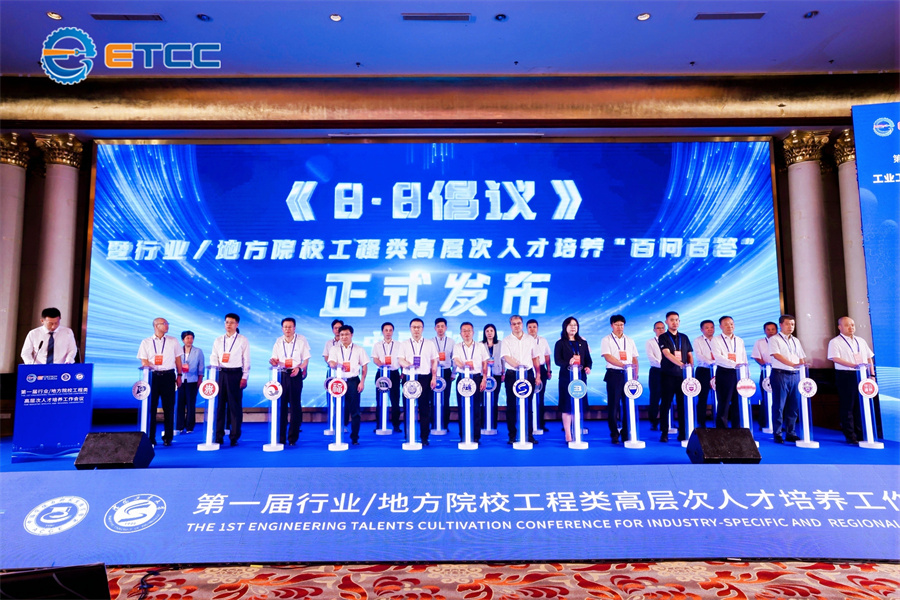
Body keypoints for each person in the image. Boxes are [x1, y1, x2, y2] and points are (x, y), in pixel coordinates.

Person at [827, 316, 875, 444]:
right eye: (847, 325)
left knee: (861, 405)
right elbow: (835, 358)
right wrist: (853, 365)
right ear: (840, 327)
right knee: (848, 405)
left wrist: (872, 375)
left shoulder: (861, 341)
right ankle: (850, 435)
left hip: (862, 375)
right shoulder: (835, 342)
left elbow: (869, 358)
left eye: (852, 325)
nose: (851, 327)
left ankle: (861, 433)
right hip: (846, 375)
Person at [137, 318, 182, 446]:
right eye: (164, 324)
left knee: (169, 407)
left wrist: (179, 375)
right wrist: (149, 368)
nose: (167, 326)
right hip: (152, 377)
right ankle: (150, 437)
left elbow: (178, 360)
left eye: (167, 323)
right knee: (151, 408)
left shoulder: (173, 341)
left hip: (168, 376)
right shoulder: (146, 342)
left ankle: (168, 437)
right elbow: (144, 361)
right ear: (156, 326)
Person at [210, 313, 250, 447]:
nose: (229, 325)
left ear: (237, 324)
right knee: (219, 406)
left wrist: (244, 377)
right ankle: (218, 436)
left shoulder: (242, 340)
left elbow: (246, 359)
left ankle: (234, 436)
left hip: (235, 374)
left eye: (232, 322)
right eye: (227, 322)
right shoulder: (218, 340)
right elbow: (214, 356)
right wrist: (215, 371)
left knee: (235, 407)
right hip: (221, 374)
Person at [270, 317, 311, 446]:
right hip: (281, 376)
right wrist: (273, 362)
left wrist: (299, 368)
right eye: (285, 327)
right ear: (282, 328)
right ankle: (281, 437)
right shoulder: (278, 342)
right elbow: (274, 359)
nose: (287, 329)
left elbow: (306, 360)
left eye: (290, 327)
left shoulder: (300, 342)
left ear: (294, 328)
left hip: (295, 375)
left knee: (295, 407)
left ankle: (293, 438)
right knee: (281, 407)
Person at [502, 315, 542, 445]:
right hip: (512, 375)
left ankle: (529, 435)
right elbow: (506, 357)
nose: (516, 326)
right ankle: (512, 435)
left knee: (528, 405)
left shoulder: (530, 339)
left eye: (518, 323)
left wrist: (538, 375)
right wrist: (519, 366)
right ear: (510, 326)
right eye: (514, 324)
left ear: (522, 324)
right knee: (511, 406)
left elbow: (535, 358)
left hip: (528, 374)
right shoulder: (506, 340)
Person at [398, 318, 439, 446]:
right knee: (408, 407)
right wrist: (408, 365)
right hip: (408, 378)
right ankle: (408, 435)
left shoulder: (429, 344)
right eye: (414, 327)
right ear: (410, 328)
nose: (416, 329)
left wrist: (434, 377)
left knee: (424, 408)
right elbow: (400, 359)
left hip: (424, 378)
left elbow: (434, 361)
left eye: (419, 327)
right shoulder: (404, 344)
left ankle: (424, 437)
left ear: (423, 329)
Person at [600, 314, 639, 444]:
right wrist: (623, 365)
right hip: (614, 375)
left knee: (628, 405)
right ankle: (614, 433)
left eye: (621, 325)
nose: (619, 327)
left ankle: (625, 433)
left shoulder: (630, 340)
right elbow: (607, 356)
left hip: (628, 375)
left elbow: (634, 358)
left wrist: (635, 375)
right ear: (612, 325)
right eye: (616, 324)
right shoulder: (606, 340)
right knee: (613, 405)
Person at [767, 314, 806, 444]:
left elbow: (801, 356)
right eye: (788, 324)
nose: (791, 327)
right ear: (781, 325)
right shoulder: (774, 339)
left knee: (794, 405)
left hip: (795, 375)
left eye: (792, 324)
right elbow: (776, 355)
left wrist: (802, 365)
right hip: (780, 374)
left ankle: (791, 432)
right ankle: (777, 433)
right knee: (779, 405)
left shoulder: (796, 340)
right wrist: (792, 364)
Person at [327, 325, 368, 445]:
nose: (344, 337)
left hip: (353, 381)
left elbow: (364, 366)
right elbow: (331, 362)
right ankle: (338, 435)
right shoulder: (334, 349)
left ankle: (354, 437)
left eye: (346, 334)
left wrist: (362, 381)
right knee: (338, 409)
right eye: (342, 335)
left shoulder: (359, 349)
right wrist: (336, 365)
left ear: (351, 335)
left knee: (355, 411)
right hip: (339, 381)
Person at [554, 316, 593, 442]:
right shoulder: (560, 343)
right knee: (567, 407)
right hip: (566, 378)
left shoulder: (583, 343)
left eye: (575, 325)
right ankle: (568, 434)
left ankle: (577, 430)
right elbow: (557, 361)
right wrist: (568, 363)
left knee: (578, 406)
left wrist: (588, 367)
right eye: (570, 325)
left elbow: (588, 359)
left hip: (580, 378)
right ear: (565, 327)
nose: (573, 327)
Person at [658, 311, 694, 442]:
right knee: (666, 404)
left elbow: (689, 354)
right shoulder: (663, 337)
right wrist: (681, 364)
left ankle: (683, 433)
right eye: (672, 320)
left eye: (677, 320)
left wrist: (690, 369)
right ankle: (664, 433)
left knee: (682, 405)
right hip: (668, 375)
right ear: (667, 322)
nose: (675, 322)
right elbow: (667, 354)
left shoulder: (684, 337)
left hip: (682, 377)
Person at [453, 321, 489, 443]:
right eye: (464, 331)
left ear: (473, 332)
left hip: (476, 378)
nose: (466, 333)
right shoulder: (457, 346)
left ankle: (476, 436)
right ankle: (463, 435)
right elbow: (456, 360)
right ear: (460, 333)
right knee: (462, 407)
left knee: (476, 408)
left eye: (469, 330)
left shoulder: (480, 346)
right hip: (462, 379)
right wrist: (464, 366)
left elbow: (485, 362)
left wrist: (484, 378)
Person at [711, 316, 747, 429]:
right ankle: (722, 430)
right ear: (720, 326)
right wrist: (734, 364)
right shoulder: (716, 340)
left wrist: (746, 373)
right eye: (726, 324)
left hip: (739, 373)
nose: (729, 326)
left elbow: (743, 357)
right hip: (725, 372)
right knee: (724, 402)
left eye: (731, 324)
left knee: (738, 402)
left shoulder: (739, 340)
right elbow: (718, 357)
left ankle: (737, 429)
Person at [372, 321, 404, 433]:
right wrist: (382, 365)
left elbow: (401, 359)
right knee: (380, 400)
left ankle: (396, 425)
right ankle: (379, 425)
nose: (388, 332)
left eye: (390, 330)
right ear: (382, 332)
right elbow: (375, 358)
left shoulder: (399, 345)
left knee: (395, 401)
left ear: (393, 331)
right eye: (386, 330)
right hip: (381, 374)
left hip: (394, 374)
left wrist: (402, 372)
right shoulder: (377, 345)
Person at [527, 318, 553, 432]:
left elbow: (547, 356)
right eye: (530, 327)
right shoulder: (524, 341)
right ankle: (529, 424)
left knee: (540, 397)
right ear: (526, 328)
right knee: (528, 397)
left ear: (537, 328)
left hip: (541, 369)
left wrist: (549, 370)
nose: (532, 329)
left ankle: (540, 424)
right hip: (528, 369)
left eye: (534, 327)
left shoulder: (543, 340)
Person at [751, 321, 778, 429]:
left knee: (779, 398)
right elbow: (756, 356)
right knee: (766, 397)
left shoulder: (781, 341)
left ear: (777, 330)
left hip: (780, 371)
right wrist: (765, 364)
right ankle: (764, 423)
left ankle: (777, 424)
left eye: (773, 329)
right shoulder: (760, 342)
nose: (771, 332)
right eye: (768, 329)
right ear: (764, 331)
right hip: (766, 372)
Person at [176, 330, 204, 434]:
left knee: (191, 404)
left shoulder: (198, 351)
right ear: (183, 339)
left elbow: (201, 366)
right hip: (180, 380)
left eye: (191, 338)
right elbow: (174, 364)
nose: (190, 340)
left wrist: (200, 379)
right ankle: (179, 426)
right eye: (187, 338)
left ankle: (189, 426)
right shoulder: (178, 351)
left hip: (193, 380)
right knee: (180, 403)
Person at [693, 320, 716, 427]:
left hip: (718, 370)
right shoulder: (698, 340)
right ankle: (701, 422)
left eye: (712, 327)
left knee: (720, 396)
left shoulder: (718, 340)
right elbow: (699, 355)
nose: (710, 329)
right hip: (704, 370)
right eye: (707, 327)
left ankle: (719, 421)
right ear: (701, 329)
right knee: (703, 397)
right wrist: (712, 363)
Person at [433, 317, 455, 430]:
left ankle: (445, 424)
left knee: (446, 398)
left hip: (446, 372)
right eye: (438, 326)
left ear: (446, 328)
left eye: (442, 326)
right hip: (434, 373)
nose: (440, 329)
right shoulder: (430, 342)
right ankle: (434, 423)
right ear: (435, 328)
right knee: (433, 398)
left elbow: (455, 358)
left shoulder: (451, 342)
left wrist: (453, 373)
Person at [481, 323, 504, 430]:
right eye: (487, 331)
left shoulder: (500, 343)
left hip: (496, 373)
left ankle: (493, 424)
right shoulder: (480, 344)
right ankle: (483, 423)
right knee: (483, 399)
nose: (489, 333)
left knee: (494, 399)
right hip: (483, 375)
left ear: (495, 332)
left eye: (491, 331)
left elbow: (503, 358)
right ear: (484, 333)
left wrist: (503, 372)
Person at [645, 321, 666, 431]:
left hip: (668, 372)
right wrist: (664, 364)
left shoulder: (669, 340)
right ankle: (653, 421)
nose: (661, 330)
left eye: (662, 328)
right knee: (655, 397)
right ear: (654, 330)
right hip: (656, 371)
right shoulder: (650, 342)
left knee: (667, 397)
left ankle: (665, 421)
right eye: (658, 328)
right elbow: (651, 357)